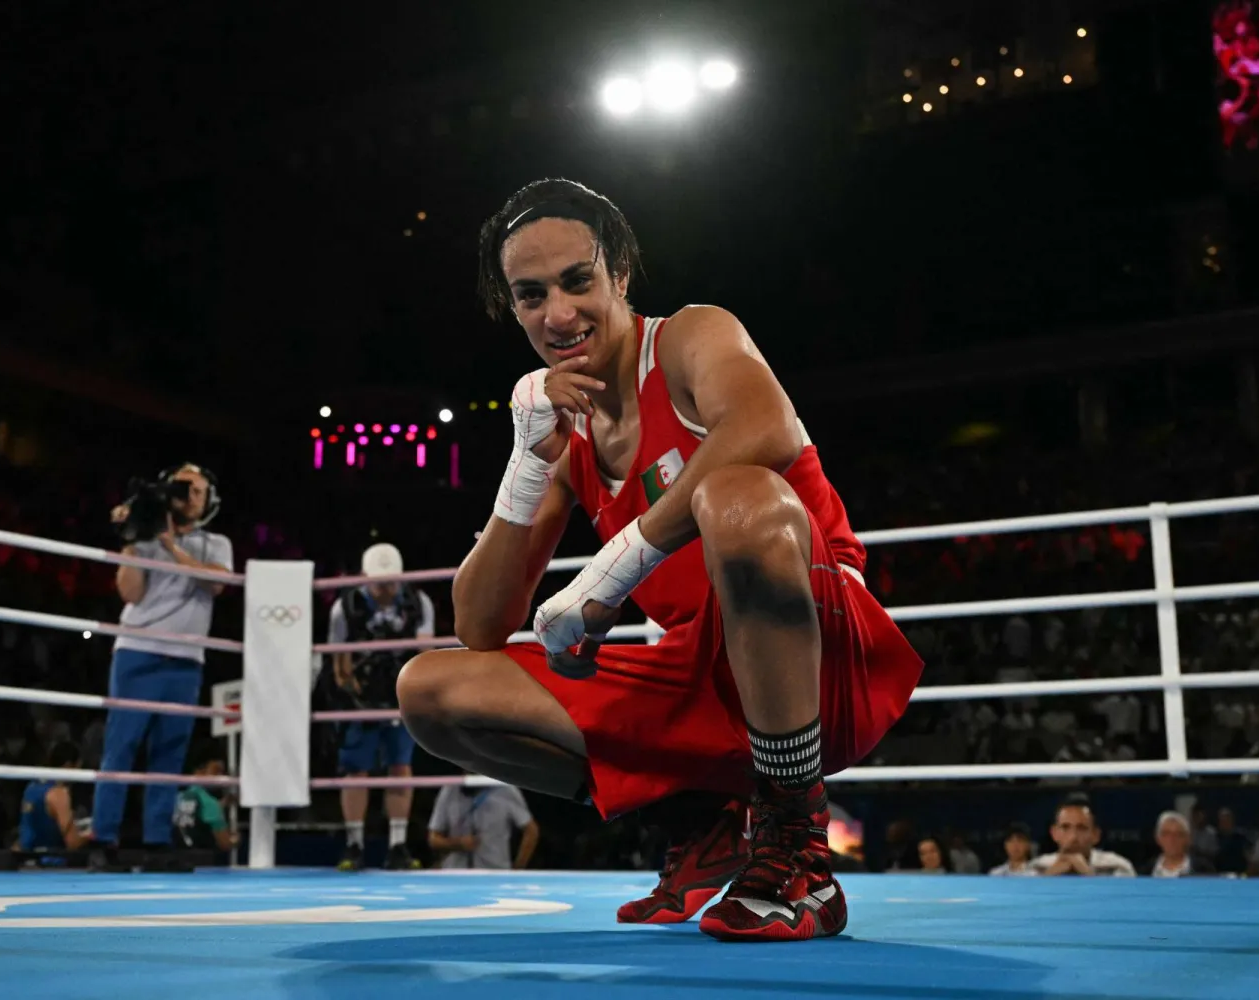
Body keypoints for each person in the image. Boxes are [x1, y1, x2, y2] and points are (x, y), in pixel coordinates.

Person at [397, 178, 925, 942]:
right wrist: (525, 463)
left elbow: (766, 426)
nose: (559, 314)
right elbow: (480, 624)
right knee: (430, 691)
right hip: (701, 683)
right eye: (531, 294)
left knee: (741, 497)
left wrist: (610, 571)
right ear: (509, 307)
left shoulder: (688, 338)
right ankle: (698, 817)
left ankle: (798, 849)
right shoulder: (565, 431)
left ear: (619, 273)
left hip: (822, 654)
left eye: (578, 281)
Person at [92, 463, 233, 871]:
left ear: (209, 502)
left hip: (187, 659)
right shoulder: (143, 537)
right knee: (122, 747)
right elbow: (130, 594)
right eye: (184, 487)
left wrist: (172, 545)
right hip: (137, 650)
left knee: (169, 753)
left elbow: (218, 584)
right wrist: (135, 538)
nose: (190, 496)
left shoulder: (216, 543)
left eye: (199, 491)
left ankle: (156, 841)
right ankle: (104, 839)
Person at [326, 542, 434, 871]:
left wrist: (412, 694)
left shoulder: (418, 602)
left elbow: (424, 653)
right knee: (355, 770)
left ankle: (397, 845)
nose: (386, 589)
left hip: (401, 692)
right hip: (361, 696)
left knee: (400, 768)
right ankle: (354, 844)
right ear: (364, 578)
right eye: (379, 582)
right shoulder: (345, 605)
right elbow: (338, 657)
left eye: (391, 582)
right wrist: (352, 689)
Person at [426, 783, 540, 870]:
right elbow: (434, 839)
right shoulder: (450, 789)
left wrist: (517, 870)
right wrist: (458, 843)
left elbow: (531, 831)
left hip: (495, 875)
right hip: (456, 876)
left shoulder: (505, 790)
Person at [16, 741, 89, 855]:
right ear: (68, 766)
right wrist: (96, 831)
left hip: (24, 861)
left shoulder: (31, 787)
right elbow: (73, 843)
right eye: (79, 768)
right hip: (51, 864)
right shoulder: (58, 794)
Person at [1033, 799, 1136, 877]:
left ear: (1096, 835)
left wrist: (1088, 874)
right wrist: (1048, 877)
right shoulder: (1037, 867)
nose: (1073, 837)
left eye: (1081, 828)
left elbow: (1122, 903)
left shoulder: (1117, 866)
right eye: (1065, 827)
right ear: (1054, 833)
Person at [173, 756, 236, 854]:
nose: (221, 778)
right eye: (216, 772)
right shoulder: (210, 803)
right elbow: (225, 844)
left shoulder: (176, 796)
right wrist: (235, 840)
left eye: (222, 773)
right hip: (201, 861)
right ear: (199, 772)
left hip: (173, 856)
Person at [1149, 810, 1216, 878]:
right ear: (1158, 838)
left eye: (1178, 834)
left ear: (1188, 839)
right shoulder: (1146, 871)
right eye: (1166, 834)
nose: (1172, 839)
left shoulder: (1204, 869)